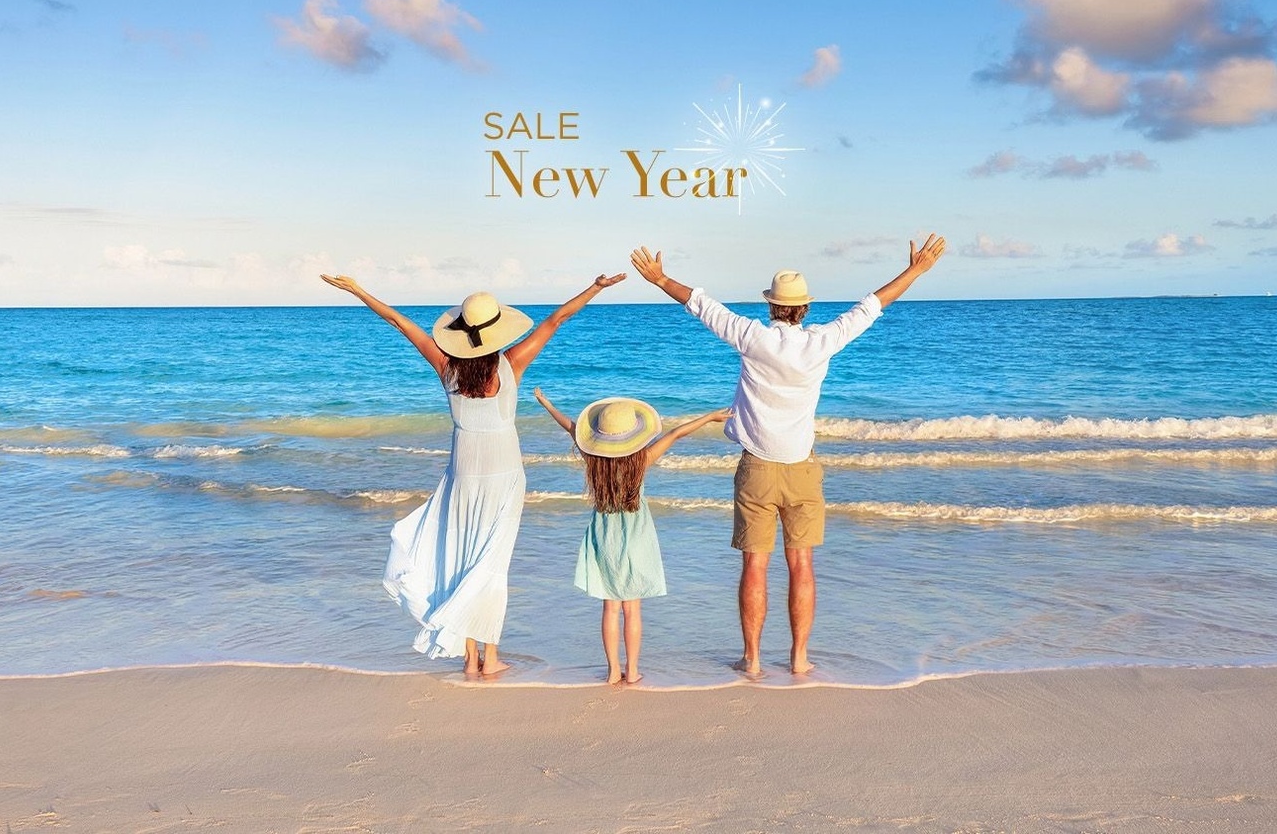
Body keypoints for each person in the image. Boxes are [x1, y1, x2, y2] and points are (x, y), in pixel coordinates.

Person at [628, 236, 947, 677]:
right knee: (802, 564)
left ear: (771, 306)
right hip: (802, 467)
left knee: (755, 564)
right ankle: (798, 657)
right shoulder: (821, 341)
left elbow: (701, 304)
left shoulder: (753, 337)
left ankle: (753, 659)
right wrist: (916, 271)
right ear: (804, 309)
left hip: (756, 465)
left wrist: (660, 278)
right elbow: (873, 305)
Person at [320, 271, 625, 676]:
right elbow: (556, 320)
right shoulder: (512, 364)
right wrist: (596, 288)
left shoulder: (447, 367)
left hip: (463, 472)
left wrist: (358, 290)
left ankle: (470, 659)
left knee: (463, 558)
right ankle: (491, 659)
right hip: (503, 474)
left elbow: (399, 321)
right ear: (498, 330)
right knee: (492, 564)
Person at [530, 388, 728, 685]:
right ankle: (632, 670)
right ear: (633, 435)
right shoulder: (641, 461)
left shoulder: (594, 461)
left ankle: (612, 671)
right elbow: (674, 434)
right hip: (636, 536)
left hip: (603, 535)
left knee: (610, 606)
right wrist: (710, 416)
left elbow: (570, 426)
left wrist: (546, 403)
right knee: (632, 608)